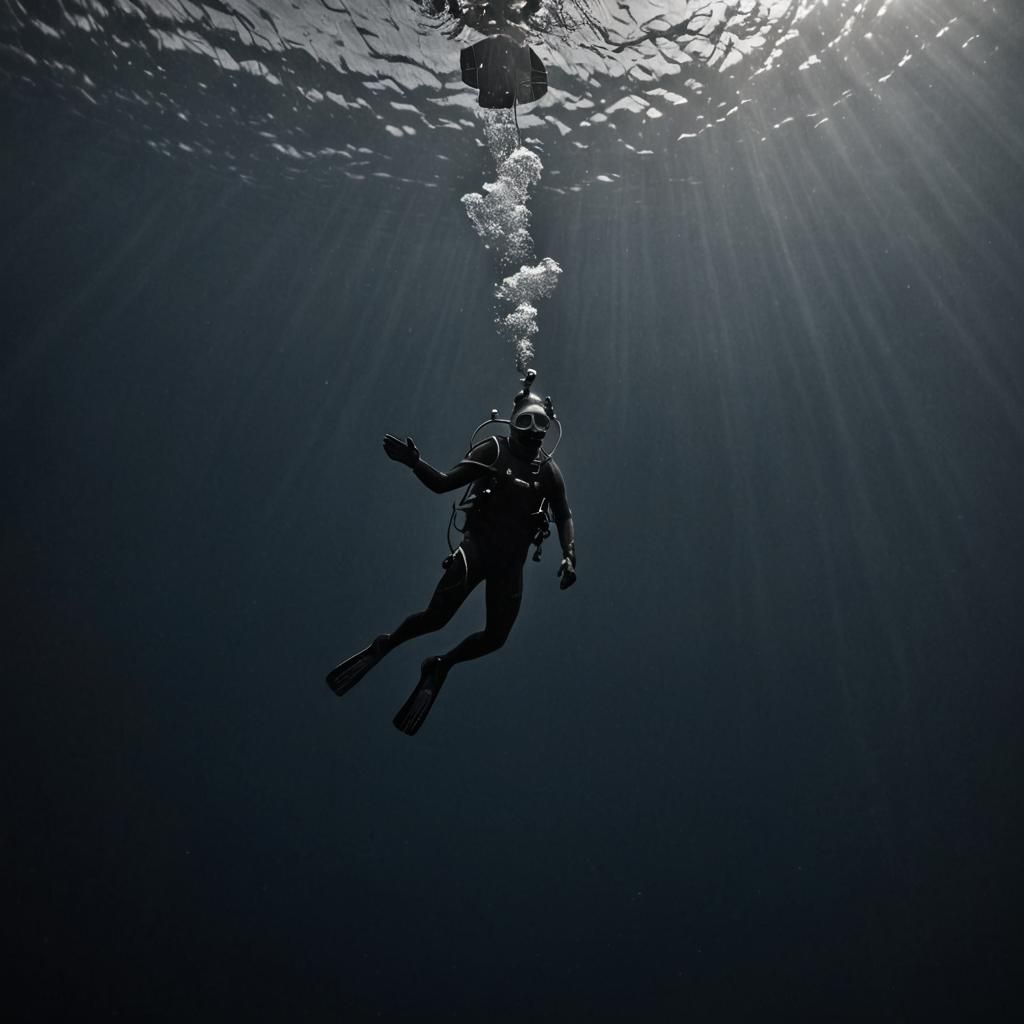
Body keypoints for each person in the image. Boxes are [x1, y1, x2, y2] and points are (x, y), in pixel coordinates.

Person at [326, 374, 576, 736]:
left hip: (510, 565)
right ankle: (387, 644)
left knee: (496, 637)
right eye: (526, 421)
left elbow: (564, 515)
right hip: (477, 550)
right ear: (512, 422)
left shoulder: (550, 473)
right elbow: (444, 483)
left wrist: (569, 554)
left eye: (541, 422)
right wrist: (414, 463)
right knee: (435, 618)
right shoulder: (493, 450)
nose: (534, 430)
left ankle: (441, 665)